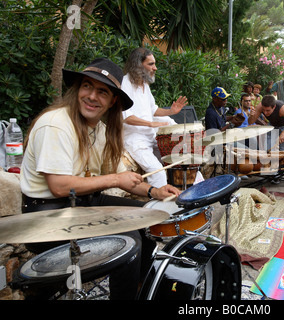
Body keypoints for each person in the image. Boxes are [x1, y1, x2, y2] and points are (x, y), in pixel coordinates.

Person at [20, 58, 181, 299]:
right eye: (87, 86)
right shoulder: (55, 124)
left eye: (102, 92)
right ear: (77, 89)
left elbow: (126, 177)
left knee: (149, 218)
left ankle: (138, 291)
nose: (92, 96)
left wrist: (153, 192)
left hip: (83, 205)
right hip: (46, 215)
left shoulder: (100, 129)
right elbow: (59, 186)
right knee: (129, 238)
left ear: (113, 101)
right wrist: (115, 180)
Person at [121, 47, 188, 188]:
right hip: (135, 140)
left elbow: (153, 110)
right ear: (138, 65)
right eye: (151, 64)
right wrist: (150, 124)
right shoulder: (125, 84)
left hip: (151, 137)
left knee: (179, 160)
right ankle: (158, 206)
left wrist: (171, 111)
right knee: (157, 172)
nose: (155, 68)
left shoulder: (144, 84)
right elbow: (126, 116)